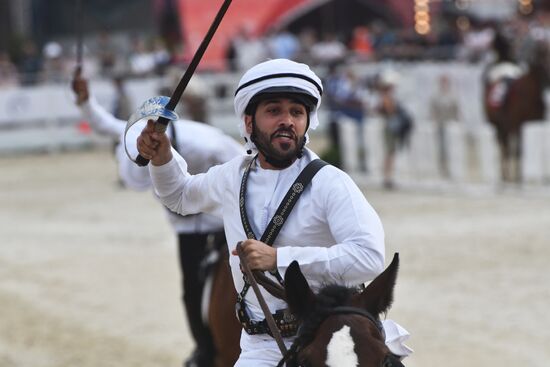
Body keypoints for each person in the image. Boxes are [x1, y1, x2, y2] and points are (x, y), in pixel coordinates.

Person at [136, 58, 412, 365]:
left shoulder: (331, 183)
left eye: (296, 111)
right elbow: (179, 196)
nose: (287, 120)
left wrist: (279, 258)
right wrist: (162, 159)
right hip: (258, 347)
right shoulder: (230, 176)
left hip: (331, 342)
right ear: (249, 122)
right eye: (274, 111)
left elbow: (369, 257)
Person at [72, 72, 244, 367]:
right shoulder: (138, 132)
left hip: (227, 224)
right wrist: (85, 100)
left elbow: (247, 167)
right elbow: (104, 125)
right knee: (190, 293)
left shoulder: (208, 144)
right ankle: (206, 350)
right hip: (187, 232)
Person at [376, 69, 413, 189]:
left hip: (390, 126)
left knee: (390, 153)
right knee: (390, 153)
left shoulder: (386, 97)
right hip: (390, 127)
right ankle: (387, 178)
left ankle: (388, 177)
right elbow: (390, 111)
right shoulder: (386, 97)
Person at [429, 74, 460, 178]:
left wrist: (456, 122)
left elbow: (456, 111)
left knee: (452, 150)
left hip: (451, 126)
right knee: (442, 149)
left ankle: (451, 169)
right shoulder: (436, 96)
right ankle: (442, 169)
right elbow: (432, 111)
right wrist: (435, 121)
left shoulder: (453, 96)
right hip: (440, 125)